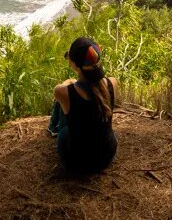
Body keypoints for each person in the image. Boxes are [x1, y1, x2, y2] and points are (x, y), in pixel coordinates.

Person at [47, 37, 118, 174]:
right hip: (106, 156)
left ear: (74, 64)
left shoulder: (62, 92)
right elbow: (93, 89)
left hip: (76, 162)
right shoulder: (112, 83)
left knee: (65, 112)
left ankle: (53, 128)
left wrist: (70, 82)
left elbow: (61, 89)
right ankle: (53, 128)